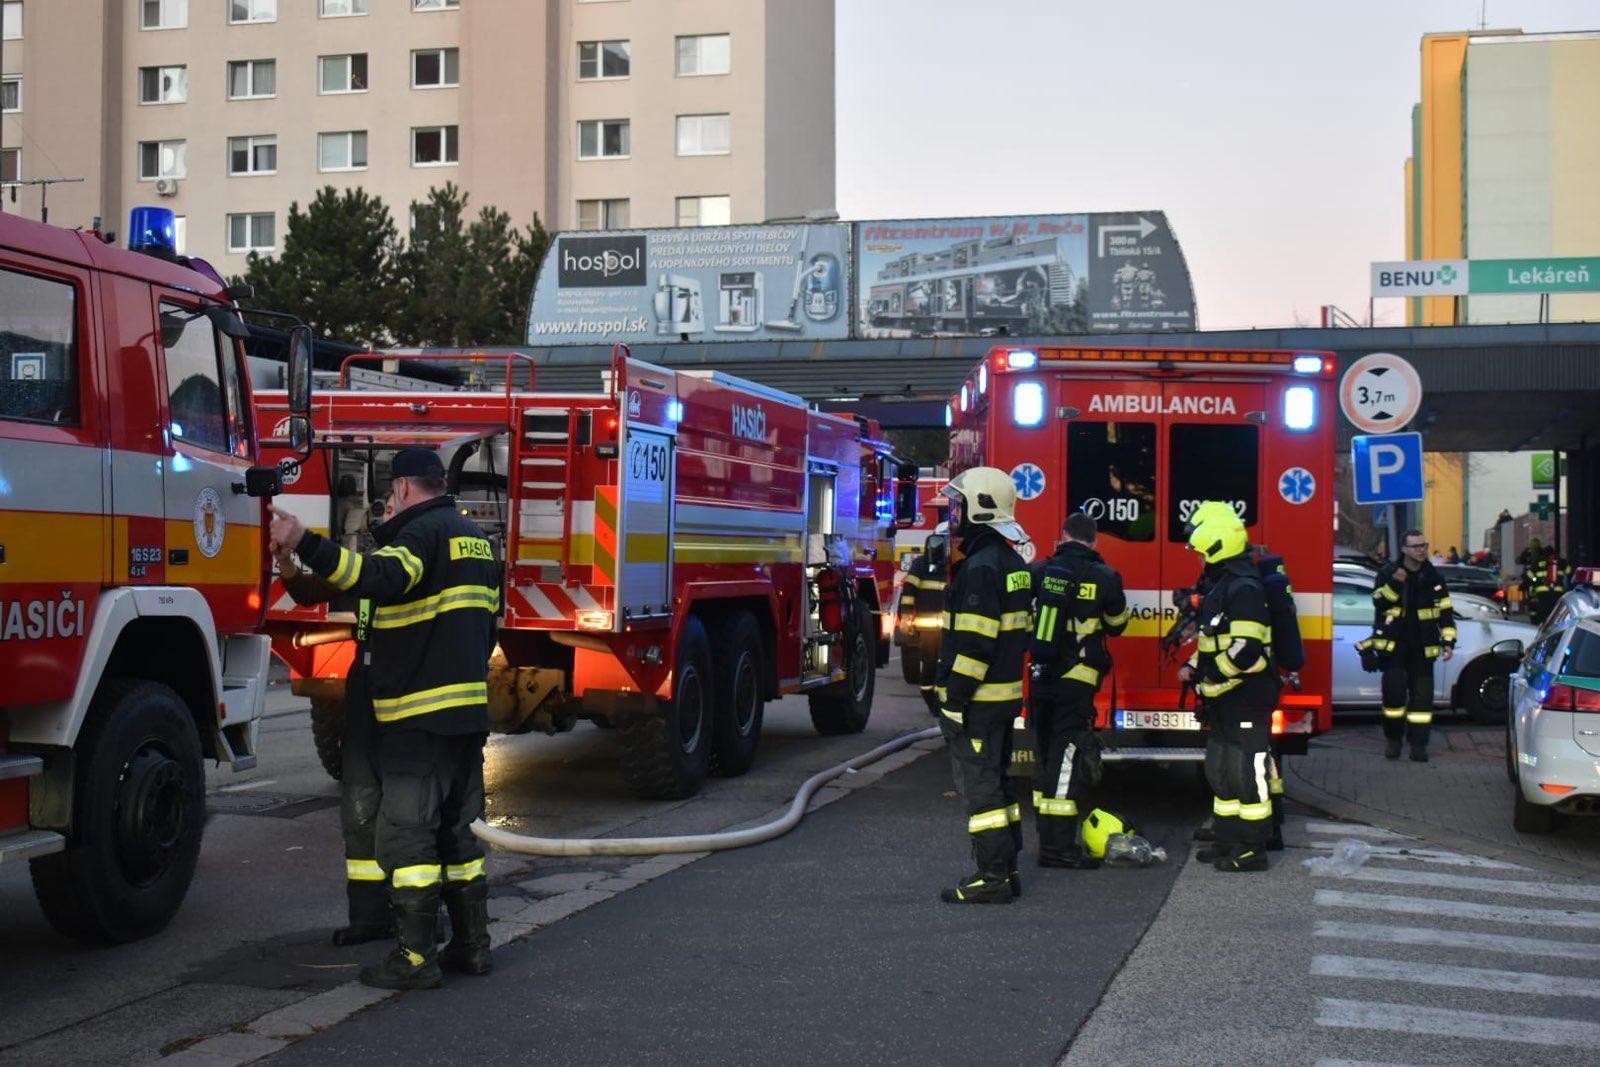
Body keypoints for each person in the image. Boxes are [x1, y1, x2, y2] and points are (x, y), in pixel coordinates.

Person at [269, 448, 501, 990]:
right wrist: (289, 562)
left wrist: (304, 540)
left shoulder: (418, 537)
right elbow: (487, 625)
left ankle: (416, 960)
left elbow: (377, 577)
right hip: (464, 713)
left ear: (400, 490)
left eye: (387, 495)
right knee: (458, 832)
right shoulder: (477, 542)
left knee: (404, 835)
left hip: (419, 715)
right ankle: (473, 946)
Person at [276, 493, 396, 947]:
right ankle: (368, 919)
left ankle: (418, 920)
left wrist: (304, 540)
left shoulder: (410, 562)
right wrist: (287, 561)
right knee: (361, 814)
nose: (381, 514)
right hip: (367, 699)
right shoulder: (375, 561)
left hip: (407, 701)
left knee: (412, 821)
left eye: (388, 505)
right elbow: (311, 591)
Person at [934, 467, 1033, 904]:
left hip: (979, 700)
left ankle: (992, 877)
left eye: (959, 505)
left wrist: (954, 699)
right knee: (999, 781)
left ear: (980, 508)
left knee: (982, 789)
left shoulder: (980, 568)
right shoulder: (1012, 562)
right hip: (1005, 696)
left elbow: (975, 644)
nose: (954, 514)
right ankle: (1006, 867)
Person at [1179, 504, 1277, 873]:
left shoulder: (1246, 588)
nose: (1200, 558)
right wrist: (1192, 668)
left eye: (1203, 550)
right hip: (1225, 699)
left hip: (1247, 697)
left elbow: (1247, 648)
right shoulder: (1224, 584)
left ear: (1218, 546)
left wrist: (1212, 677)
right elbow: (1212, 641)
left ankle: (1253, 849)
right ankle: (1228, 839)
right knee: (1220, 770)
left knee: (1247, 774)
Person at [1028, 512, 1128, 869]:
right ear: (1094, 541)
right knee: (1065, 760)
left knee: (1044, 756)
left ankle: (1046, 835)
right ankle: (1058, 849)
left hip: (1040, 679)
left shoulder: (1040, 572)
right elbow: (1117, 625)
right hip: (1078, 680)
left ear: (1063, 535)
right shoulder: (1105, 577)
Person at [1364, 529, 1455, 762]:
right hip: (1394, 648)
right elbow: (1380, 603)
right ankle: (1393, 740)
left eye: (1423, 545)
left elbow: (1445, 611)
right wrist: (1396, 583)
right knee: (1393, 698)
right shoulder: (1387, 573)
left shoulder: (1433, 577)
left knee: (1422, 701)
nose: (1421, 550)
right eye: (1415, 546)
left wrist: (1448, 641)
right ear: (1404, 549)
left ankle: (1418, 745)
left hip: (1423, 648)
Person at [898, 524, 948, 716]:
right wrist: (907, 615)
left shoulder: (957, 566)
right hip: (928, 629)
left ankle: (942, 705)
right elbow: (909, 590)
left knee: (944, 666)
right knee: (929, 666)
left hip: (948, 630)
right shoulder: (920, 565)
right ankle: (932, 702)